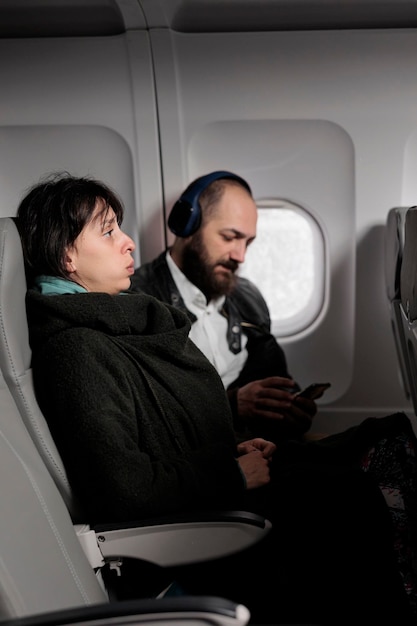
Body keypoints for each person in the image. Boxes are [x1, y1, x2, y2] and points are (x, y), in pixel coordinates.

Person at [16, 172, 417, 624]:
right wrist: (230, 472)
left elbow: (158, 431)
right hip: (187, 532)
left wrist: (234, 448)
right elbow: (124, 489)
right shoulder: (76, 351)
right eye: (108, 231)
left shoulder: (120, 323)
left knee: (374, 452)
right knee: (346, 497)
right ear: (67, 254)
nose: (128, 242)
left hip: (207, 486)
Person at [130, 171, 317, 444]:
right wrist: (230, 407)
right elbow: (141, 413)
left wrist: (290, 409)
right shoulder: (136, 301)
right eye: (230, 237)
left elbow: (273, 378)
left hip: (259, 449)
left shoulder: (247, 297)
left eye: (248, 242)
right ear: (188, 225)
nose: (240, 256)